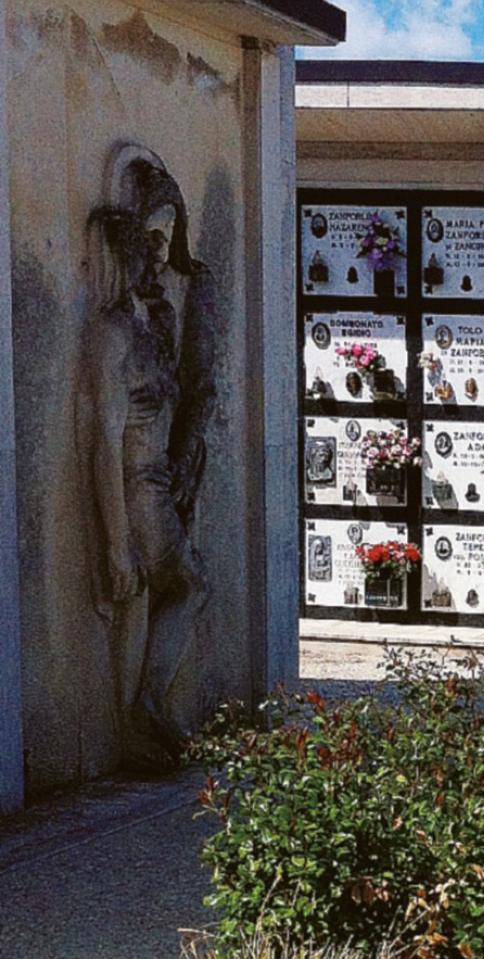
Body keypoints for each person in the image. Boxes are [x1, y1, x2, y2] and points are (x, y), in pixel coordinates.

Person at [82, 146, 217, 766]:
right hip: (137, 486)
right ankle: (147, 705)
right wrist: (114, 541)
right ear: (129, 241)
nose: (161, 252)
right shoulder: (112, 331)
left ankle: (148, 707)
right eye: (151, 238)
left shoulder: (153, 322)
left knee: (181, 586)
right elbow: (103, 441)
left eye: (168, 239)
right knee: (185, 584)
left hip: (161, 479)